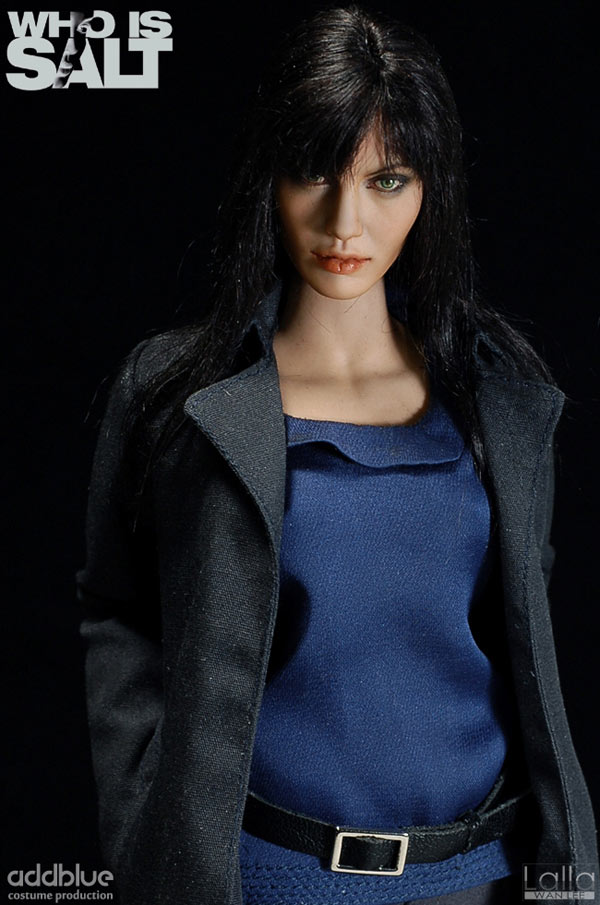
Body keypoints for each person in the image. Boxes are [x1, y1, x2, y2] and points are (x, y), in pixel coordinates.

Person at [75, 5, 598, 904]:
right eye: (314, 171)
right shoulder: (178, 396)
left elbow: (526, 649)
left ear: (430, 190)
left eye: (387, 180)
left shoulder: (498, 400)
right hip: (261, 878)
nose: (345, 220)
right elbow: (118, 613)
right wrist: (149, 834)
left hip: (480, 877)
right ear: (269, 179)